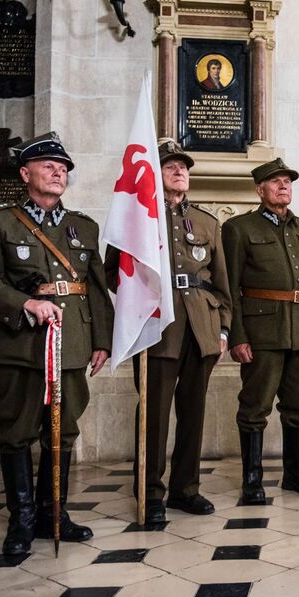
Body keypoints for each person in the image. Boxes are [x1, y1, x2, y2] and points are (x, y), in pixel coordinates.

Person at [0, 132, 114, 554]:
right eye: (48, 165)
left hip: (73, 345)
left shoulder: (83, 226)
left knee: (63, 432)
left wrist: (102, 339)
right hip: (20, 344)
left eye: (63, 168)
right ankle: (22, 520)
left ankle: (54, 514)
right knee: (18, 432)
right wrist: (27, 302)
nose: (58, 172)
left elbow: (96, 288)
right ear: (25, 173)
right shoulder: (0, 221)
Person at [104, 139, 232, 524]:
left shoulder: (208, 223)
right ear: (155, 174)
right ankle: (151, 492)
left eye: (183, 167)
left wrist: (223, 330)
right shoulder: (137, 219)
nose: (180, 172)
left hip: (201, 327)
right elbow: (113, 272)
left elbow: (221, 283)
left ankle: (185, 490)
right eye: (171, 166)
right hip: (158, 328)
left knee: (194, 413)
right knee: (155, 414)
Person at [222, 158, 299, 504]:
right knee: (255, 405)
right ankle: (252, 480)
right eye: (275, 181)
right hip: (262, 331)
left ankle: (295, 473)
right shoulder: (239, 229)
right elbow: (230, 287)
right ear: (260, 189)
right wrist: (237, 335)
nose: (283, 186)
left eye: (287, 181)